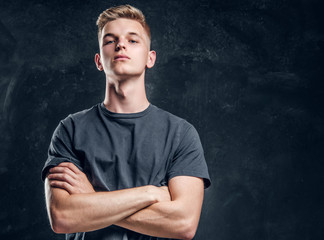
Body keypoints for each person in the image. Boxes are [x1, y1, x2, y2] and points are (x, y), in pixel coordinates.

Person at [42, 4, 211, 240]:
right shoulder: (70, 130)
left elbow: (183, 223)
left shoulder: (181, 134)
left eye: (133, 40)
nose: (121, 44)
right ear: (99, 60)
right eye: (110, 41)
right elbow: (62, 218)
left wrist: (91, 198)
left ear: (150, 58)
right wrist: (151, 194)